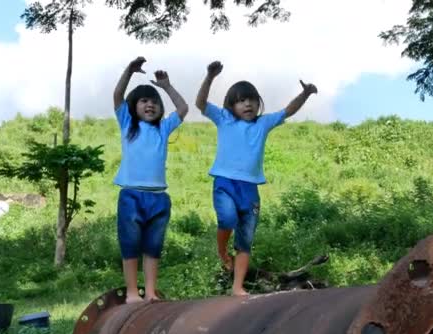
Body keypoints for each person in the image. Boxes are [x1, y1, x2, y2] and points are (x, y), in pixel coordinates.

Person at [195, 60, 317, 296]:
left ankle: (238, 287)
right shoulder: (224, 119)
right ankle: (222, 252)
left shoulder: (263, 124)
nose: (247, 104)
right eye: (240, 100)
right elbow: (200, 103)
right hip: (225, 183)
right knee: (227, 219)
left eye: (251, 99)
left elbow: (288, 111)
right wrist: (210, 76)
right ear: (231, 105)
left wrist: (305, 94)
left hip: (250, 189)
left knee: (245, 239)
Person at [113, 56, 188, 303]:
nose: (150, 105)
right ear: (133, 106)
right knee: (130, 244)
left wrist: (166, 87)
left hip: (158, 198)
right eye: (144, 101)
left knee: (153, 246)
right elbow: (117, 95)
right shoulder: (127, 124)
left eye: (154, 102)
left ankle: (151, 292)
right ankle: (133, 293)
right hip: (131, 195)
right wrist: (129, 70)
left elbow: (183, 109)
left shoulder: (163, 129)